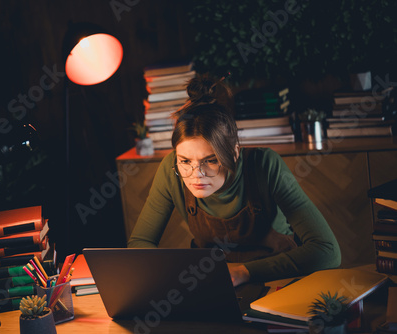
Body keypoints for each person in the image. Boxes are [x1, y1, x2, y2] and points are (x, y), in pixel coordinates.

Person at [127, 74, 341, 286]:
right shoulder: (170, 168)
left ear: (234, 152)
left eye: (210, 161)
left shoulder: (265, 165)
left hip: (275, 279)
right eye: (185, 161)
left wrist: (243, 272)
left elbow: (327, 251)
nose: (196, 173)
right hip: (213, 281)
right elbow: (139, 244)